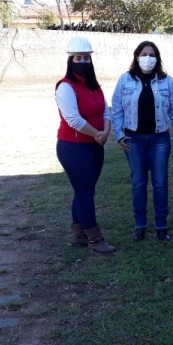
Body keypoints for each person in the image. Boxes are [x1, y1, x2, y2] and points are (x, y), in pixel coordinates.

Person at [111, 41, 173, 241]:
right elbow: (116, 110)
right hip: (133, 140)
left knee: (160, 183)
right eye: (144, 54)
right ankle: (140, 225)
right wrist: (119, 135)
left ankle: (161, 224)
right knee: (138, 183)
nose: (148, 58)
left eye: (152, 55)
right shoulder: (125, 80)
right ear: (137, 56)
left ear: (157, 59)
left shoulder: (166, 81)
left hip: (159, 139)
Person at [55, 36, 116, 253]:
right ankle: (95, 239)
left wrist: (106, 131)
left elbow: (105, 110)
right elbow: (73, 119)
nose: (83, 61)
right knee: (85, 192)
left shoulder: (93, 86)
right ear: (70, 60)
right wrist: (97, 134)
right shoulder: (65, 87)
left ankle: (78, 234)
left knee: (84, 190)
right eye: (78, 57)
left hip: (94, 145)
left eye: (86, 58)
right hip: (73, 147)